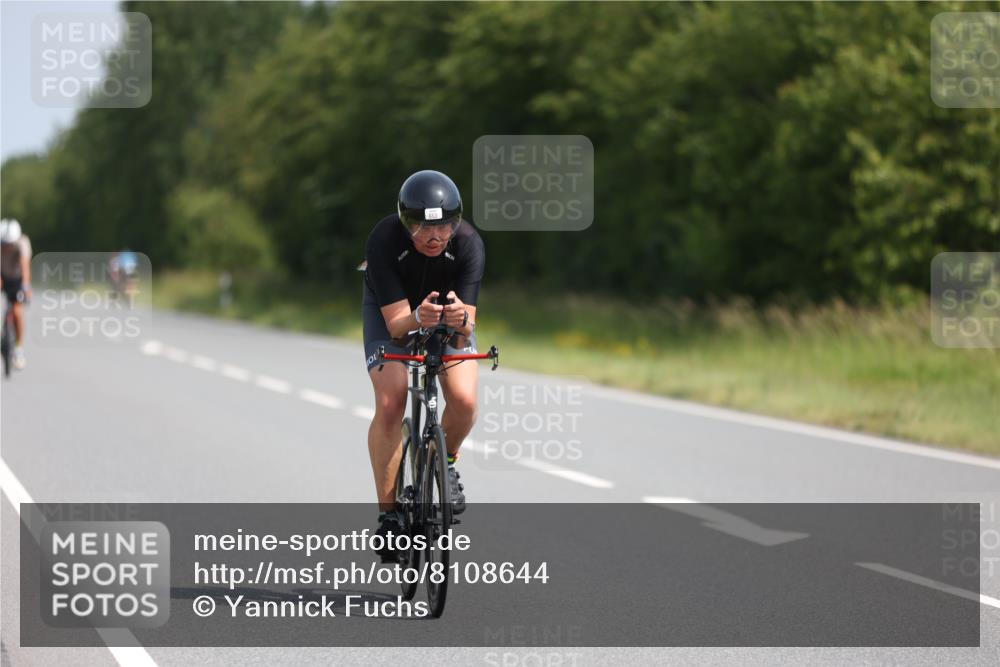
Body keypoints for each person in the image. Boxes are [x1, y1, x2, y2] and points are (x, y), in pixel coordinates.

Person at [361, 170, 485, 559]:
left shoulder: (468, 244)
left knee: (464, 401)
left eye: (444, 226)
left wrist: (458, 320)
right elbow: (398, 325)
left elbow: (467, 328)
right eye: (421, 226)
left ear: (456, 222)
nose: (434, 236)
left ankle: (444, 461)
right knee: (390, 402)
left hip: (445, 320)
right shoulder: (384, 239)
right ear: (404, 222)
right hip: (393, 316)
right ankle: (389, 517)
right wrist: (419, 318)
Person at [0, 219, 32, 370]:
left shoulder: (22, 243)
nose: (7, 247)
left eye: (10, 244)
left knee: (17, 312)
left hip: (17, 279)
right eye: (4, 244)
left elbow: (25, 265)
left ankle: (18, 349)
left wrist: (26, 286)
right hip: (2, 276)